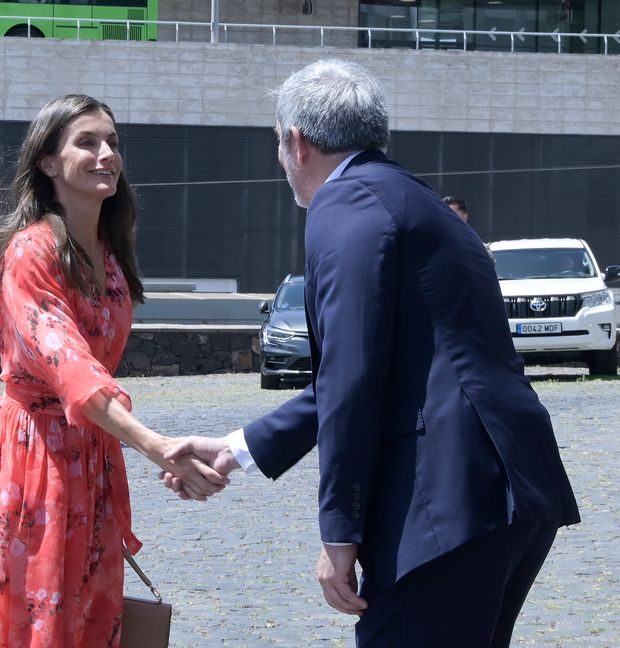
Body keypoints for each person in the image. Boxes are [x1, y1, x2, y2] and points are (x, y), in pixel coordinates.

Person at [162, 60, 580, 647]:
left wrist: (339, 535)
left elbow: (353, 378)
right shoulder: (416, 201)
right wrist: (238, 449)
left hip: (447, 501)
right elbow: (373, 369)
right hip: (505, 487)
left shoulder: (347, 204)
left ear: (296, 143)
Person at [0, 94, 227, 647]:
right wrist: (157, 445)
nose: (107, 153)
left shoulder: (108, 251)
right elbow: (73, 371)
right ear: (47, 162)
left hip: (93, 454)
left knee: (90, 617)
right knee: (41, 619)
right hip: (37, 458)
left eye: (112, 142)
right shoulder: (29, 253)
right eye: (87, 142)